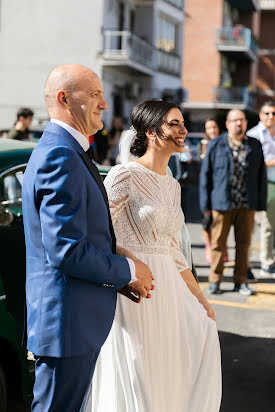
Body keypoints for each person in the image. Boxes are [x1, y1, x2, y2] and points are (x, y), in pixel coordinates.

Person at [22, 64, 154, 412]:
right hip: (66, 326)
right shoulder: (60, 155)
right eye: (95, 94)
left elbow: (81, 237)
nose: (104, 104)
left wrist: (115, 275)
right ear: (65, 99)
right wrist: (127, 270)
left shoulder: (68, 150)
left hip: (73, 322)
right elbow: (66, 250)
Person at [84, 99, 222, 412]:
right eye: (174, 124)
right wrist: (128, 268)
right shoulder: (124, 175)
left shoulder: (173, 186)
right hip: (134, 290)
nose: (183, 130)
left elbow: (172, 249)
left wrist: (200, 298)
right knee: (138, 376)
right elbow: (99, 231)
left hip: (169, 290)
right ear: (151, 132)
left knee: (169, 368)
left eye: (183, 123)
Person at [200, 109, 267, 295]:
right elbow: (206, 176)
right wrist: (205, 205)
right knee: (218, 244)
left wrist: (260, 203)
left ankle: (241, 281)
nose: (239, 123)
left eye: (242, 120)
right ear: (228, 124)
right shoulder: (216, 144)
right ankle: (215, 280)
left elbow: (261, 176)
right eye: (235, 120)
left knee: (244, 244)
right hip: (221, 204)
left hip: (247, 204)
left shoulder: (255, 145)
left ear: (246, 123)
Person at [247, 101, 275, 277]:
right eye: (267, 113)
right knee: (252, 227)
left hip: (273, 185)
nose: (270, 117)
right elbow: (250, 164)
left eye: (273, 113)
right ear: (260, 115)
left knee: (270, 226)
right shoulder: (253, 135)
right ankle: (247, 265)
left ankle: (267, 263)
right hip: (259, 185)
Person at [201, 118, 229, 264]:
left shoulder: (224, 143)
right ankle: (209, 248)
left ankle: (223, 248)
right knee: (207, 222)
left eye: (214, 127)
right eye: (208, 128)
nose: (212, 130)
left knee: (221, 221)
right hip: (206, 188)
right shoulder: (204, 145)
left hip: (219, 189)